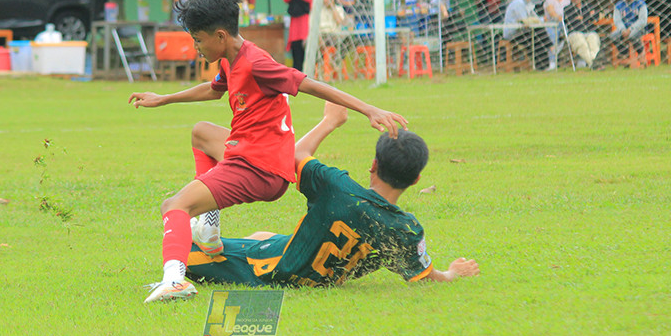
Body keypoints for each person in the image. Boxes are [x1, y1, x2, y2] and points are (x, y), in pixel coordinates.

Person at [129, 0, 407, 304]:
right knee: (202, 132)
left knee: (174, 206)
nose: (196, 47)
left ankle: (174, 281)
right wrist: (164, 99)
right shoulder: (230, 57)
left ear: (219, 36)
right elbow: (214, 89)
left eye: (198, 40)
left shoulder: (257, 63)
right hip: (247, 152)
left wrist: (368, 108)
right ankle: (209, 231)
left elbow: (308, 83)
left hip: (258, 168)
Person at [185, 102, 480, 289]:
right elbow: (428, 276)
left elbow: (293, 157)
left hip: (274, 271)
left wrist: (330, 121)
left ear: (373, 165)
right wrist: (454, 272)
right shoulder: (405, 229)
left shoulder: (338, 189)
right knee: (264, 235)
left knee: (181, 252)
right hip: (312, 268)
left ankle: (209, 214)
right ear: (415, 180)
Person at [502, 0, 552, 70]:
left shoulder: (522, 3)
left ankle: (544, 63)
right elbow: (525, 21)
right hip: (512, 33)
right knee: (536, 34)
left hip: (519, 31)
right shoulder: (518, 3)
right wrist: (541, 20)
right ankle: (545, 58)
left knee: (538, 32)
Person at [283, 0, 314, 72]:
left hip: (305, 19)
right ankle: (297, 72)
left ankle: (308, 72)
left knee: (305, 46)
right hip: (294, 20)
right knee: (295, 47)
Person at [610, 0, 648, 66]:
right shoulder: (619, 5)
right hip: (623, 29)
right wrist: (623, 29)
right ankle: (625, 55)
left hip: (638, 29)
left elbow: (643, 20)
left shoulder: (641, 4)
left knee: (633, 35)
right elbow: (617, 20)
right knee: (613, 36)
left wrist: (630, 29)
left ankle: (641, 54)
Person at [565, 0, 603, 69]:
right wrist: (588, 17)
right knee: (581, 43)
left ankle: (593, 63)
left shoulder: (588, 6)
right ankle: (593, 64)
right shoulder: (567, 9)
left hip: (588, 32)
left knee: (594, 39)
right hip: (575, 33)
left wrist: (583, 18)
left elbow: (596, 16)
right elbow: (573, 22)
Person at [542, 0, 570, 70]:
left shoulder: (567, 0)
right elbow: (551, 12)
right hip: (552, 23)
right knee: (552, 36)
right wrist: (558, 17)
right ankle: (552, 62)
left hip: (565, 23)